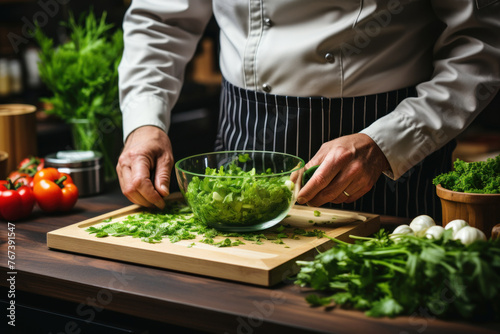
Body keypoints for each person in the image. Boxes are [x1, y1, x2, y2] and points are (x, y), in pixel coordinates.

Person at [117, 0, 500, 218]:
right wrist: (143, 121)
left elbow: (481, 42)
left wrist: (389, 141)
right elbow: (161, 19)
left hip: (380, 146)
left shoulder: (384, 144)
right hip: (243, 130)